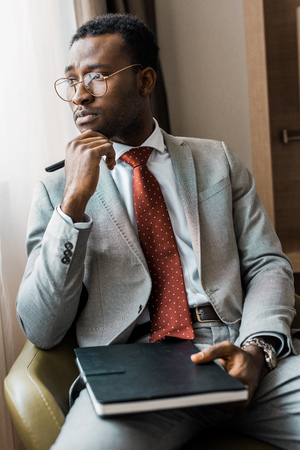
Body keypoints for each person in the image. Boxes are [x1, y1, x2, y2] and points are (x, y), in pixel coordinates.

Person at [16, 13, 299, 450]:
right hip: (133, 368)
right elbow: (40, 326)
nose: (79, 95)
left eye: (96, 77)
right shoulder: (56, 190)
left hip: (234, 348)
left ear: (145, 81)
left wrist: (257, 351)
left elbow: (266, 264)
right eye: (71, 80)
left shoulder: (216, 160)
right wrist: (72, 206)